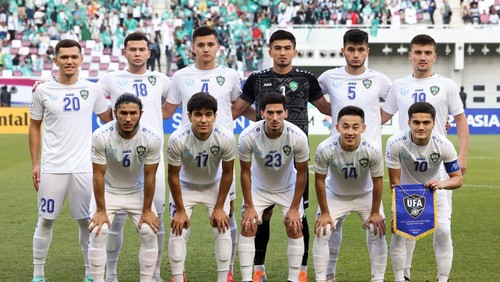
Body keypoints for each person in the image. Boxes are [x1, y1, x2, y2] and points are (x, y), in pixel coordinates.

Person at [231, 29, 331, 282]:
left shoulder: (307, 78)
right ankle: (258, 269)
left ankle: (302, 271)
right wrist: (258, 121)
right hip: (263, 152)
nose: (283, 53)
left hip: (296, 151)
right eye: (278, 48)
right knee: (261, 216)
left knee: (300, 216)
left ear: (294, 52)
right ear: (270, 52)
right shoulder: (257, 78)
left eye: (287, 48)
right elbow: (236, 110)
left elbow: (327, 108)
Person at [381, 34, 469, 281]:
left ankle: (442, 277)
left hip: (439, 166)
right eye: (418, 52)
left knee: (442, 229)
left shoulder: (447, 85)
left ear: (434, 56)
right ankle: (404, 276)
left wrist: (462, 155)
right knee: (405, 228)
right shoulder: (398, 86)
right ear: (410, 55)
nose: (422, 57)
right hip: (405, 165)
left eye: (427, 53)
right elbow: (382, 117)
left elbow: (460, 119)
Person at [162, 25, 242, 281]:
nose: (206, 49)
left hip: (221, 155)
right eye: (201, 45)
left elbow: (239, 108)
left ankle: (227, 271)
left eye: (210, 44)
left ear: (218, 46)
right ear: (193, 47)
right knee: (178, 222)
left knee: (226, 218)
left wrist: (268, 118)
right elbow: (164, 111)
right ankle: (178, 273)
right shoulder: (180, 76)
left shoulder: (230, 75)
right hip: (189, 156)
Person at [29, 39, 112, 282]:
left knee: (86, 221)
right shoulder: (43, 90)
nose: (69, 61)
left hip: (85, 168)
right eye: (64, 57)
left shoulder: (93, 89)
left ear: (81, 60)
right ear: (55, 60)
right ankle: (38, 274)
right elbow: (34, 127)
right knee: (45, 220)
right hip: (52, 168)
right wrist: (35, 163)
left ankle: (89, 272)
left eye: (74, 57)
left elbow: (109, 119)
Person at [317, 28, 392, 281]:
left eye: (361, 50)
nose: (356, 54)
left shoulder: (380, 79)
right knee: (328, 227)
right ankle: (328, 276)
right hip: (337, 158)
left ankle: (377, 277)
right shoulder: (329, 77)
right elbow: (317, 99)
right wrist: (336, 117)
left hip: (368, 162)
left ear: (367, 51)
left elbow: (394, 105)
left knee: (377, 226)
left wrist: (372, 124)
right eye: (351, 49)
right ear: (343, 51)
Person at [97, 31, 171, 282]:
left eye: (142, 49)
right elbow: (93, 101)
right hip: (119, 157)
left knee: (156, 217)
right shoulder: (110, 79)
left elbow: (175, 104)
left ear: (149, 53)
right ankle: (111, 274)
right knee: (114, 219)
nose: (137, 53)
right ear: (125, 52)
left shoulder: (161, 79)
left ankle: (155, 273)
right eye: (133, 49)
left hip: (152, 156)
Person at [385, 102, 463, 282]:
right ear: (409, 122)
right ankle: (401, 278)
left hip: (434, 192)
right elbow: (394, 181)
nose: (421, 127)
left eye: (426, 122)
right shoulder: (395, 142)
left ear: (434, 123)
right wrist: (398, 209)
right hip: (404, 191)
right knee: (401, 233)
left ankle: (443, 278)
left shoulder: (444, 144)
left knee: (443, 231)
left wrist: (441, 184)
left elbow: (457, 178)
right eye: (416, 122)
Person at [88, 94, 162, 282]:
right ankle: (104, 278)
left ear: (141, 113)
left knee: (148, 231)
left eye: (133, 113)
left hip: (136, 191)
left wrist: (147, 210)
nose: (128, 118)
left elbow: (150, 175)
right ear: (115, 113)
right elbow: (98, 175)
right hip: (109, 191)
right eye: (123, 113)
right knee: (99, 230)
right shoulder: (100, 136)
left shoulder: (152, 137)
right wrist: (101, 210)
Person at [237, 93, 309, 282]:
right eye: (270, 113)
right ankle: (248, 277)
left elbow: (302, 173)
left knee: (295, 227)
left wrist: (294, 208)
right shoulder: (248, 136)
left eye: (279, 112)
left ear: (286, 113)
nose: (275, 117)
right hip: (259, 187)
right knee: (248, 225)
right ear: (262, 113)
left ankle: (294, 278)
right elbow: (244, 172)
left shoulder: (298, 136)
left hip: (287, 187)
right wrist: (250, 206)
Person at [312, 105, 387, 282]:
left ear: (363, 128)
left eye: (355, 127)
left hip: (365, 194)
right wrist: (324, 212)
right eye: (345, 126)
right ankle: (324, 277)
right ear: (337, 127)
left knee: (377, 230)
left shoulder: (372, 149)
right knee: (323, 231)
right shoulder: (325, 148)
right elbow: (319, 181)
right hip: (335, 195)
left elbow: (378, 182)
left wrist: (375, 212)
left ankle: (378, 278)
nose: (350, 132)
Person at [167, 93, 235, 282]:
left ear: (215, 116)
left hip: (214, 185)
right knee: (178, 228)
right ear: (189, 116)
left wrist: (220, 207)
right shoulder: (177, 139)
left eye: (208, 114)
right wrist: (180, 210)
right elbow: (172, 175)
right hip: (185, 186)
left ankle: (223, 277)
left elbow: (228, 172)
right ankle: (178, 276)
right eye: (198, 114)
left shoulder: (226, 137)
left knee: (222, 227)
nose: (203, 120)